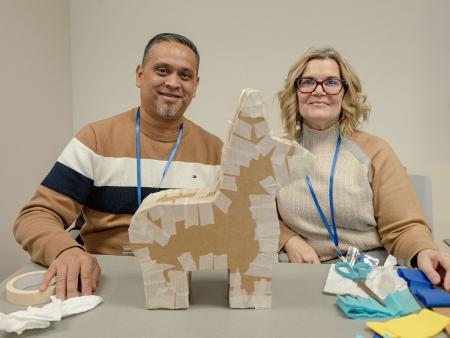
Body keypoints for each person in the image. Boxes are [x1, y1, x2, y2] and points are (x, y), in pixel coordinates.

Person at [13, 33, 223, 299]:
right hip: (104, 279)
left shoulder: (216, 151)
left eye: (185, 75)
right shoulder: (95, 139)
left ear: (196, 85)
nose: (173, 83)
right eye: (162, 70)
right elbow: (35, 215)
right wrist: (66, 251)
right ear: (139, 75)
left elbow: (237, 222)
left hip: (184, 284)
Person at [276, 46, 450, 290]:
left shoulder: (376, 151)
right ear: (295, 92)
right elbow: (252, 213)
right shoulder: (274, 153)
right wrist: (289, 240)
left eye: (331, 82)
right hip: (299, 273)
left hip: (368, 274)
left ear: (346, 92)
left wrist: (425, 251)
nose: (319, 90)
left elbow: (404, 226)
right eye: (307, 82)